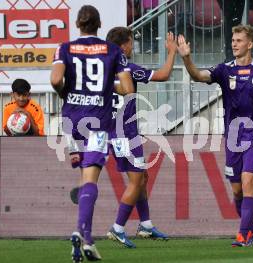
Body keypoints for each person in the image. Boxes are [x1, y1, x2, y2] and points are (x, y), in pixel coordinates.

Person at [177, 24, 253, 247]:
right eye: (233, 40)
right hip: (233, 134)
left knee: (249, 180)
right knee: (237, 189)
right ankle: (251, 228)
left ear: (250, 44)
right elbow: (198, 76)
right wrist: (187, 59)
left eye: (238, 40)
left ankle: (243, 235)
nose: (234, 44)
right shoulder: (224, 69)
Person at [50, 5, 134, 262]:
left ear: (78, 25)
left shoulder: (64, 48)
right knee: (91, 179)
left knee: (84, 176)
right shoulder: (113, 51)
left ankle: (85, 240)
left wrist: (66, 93)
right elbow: (128, 89)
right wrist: (108, 86)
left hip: (72, 120)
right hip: (98, 120)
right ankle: (82, 232)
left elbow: (55, 80)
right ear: (99, 25)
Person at [104, 26, 177, 248]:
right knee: (136, 181)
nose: (132, 47)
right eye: (130, 42)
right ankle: (117, 228)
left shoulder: (102, 70)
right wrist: (172, 51)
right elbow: (164, 75)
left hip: (115, 132)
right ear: (123, 45)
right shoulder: (128, 68)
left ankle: (145, 225)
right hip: (125, 133)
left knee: (142, 178)